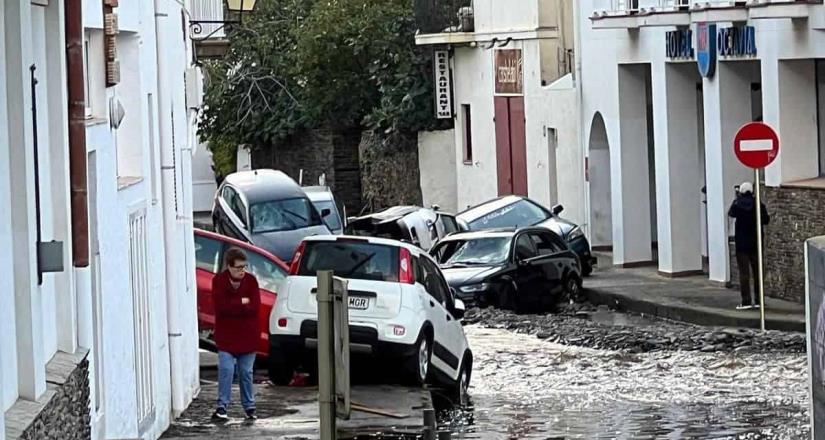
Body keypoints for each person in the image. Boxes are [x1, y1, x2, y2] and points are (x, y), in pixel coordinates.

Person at [212, 248, 261, 421]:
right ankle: (222, 406)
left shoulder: (251, 282)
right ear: (229, 267)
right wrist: (242, 302)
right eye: (239, 267)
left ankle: (249, 407)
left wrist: (236, 304)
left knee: (246, 372)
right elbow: (221, 307)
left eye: (244, 267)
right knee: (226, 369)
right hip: (226, 337)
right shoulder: (219, 281)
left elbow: (254, 306)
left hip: (248, 337)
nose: (242, 271)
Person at [728, 182, 770, 310]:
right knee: (758, 272)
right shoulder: (758, 205)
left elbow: (731, 213)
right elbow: (766, 220)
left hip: (742, 244)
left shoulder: (738, 204)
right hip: (756, 242)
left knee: (744, 274)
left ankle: (746, 300)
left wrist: (736, 198)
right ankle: (758, 300)